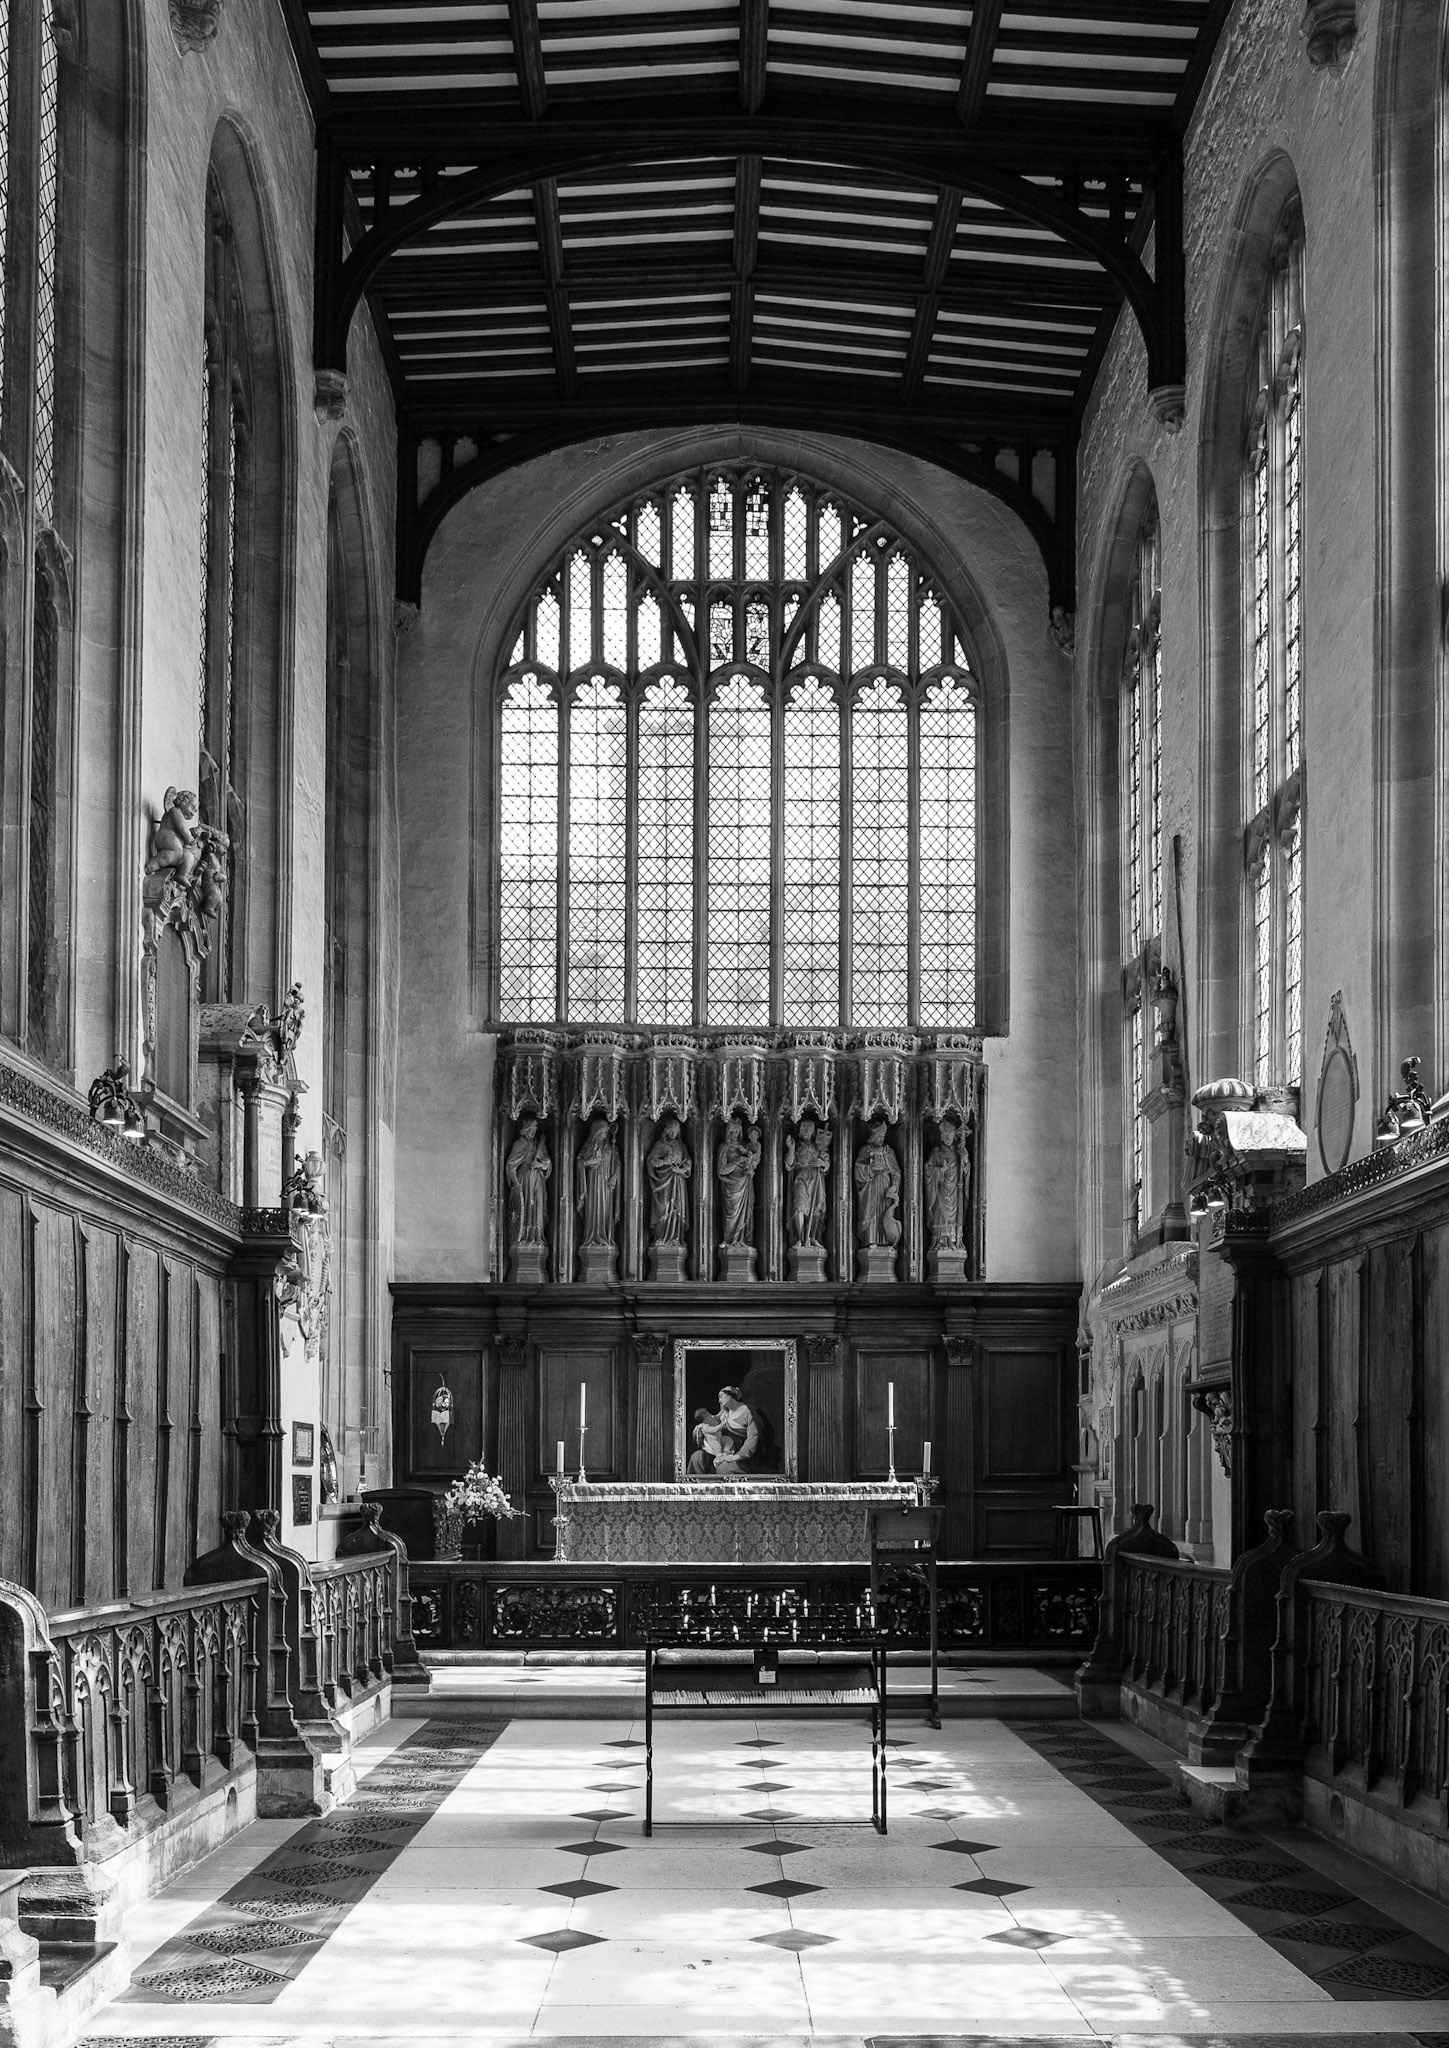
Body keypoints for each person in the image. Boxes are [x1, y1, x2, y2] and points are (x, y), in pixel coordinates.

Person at [854, 1116, 902, 1247]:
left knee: (885, 1212)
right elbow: (857, 1170)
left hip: (885, 1187)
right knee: (871, 1211)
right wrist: (870, 1169)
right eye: (879, 1136)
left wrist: (894, 1186)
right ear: (872, 1136)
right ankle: (871, 1240)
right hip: (871, 1186)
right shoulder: (865, 1150)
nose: (881, 1139)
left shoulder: (888, 1152)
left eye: (883, 1137)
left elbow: (896, 1172)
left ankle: (885, 1241)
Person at [505, 1113, 551, 1250]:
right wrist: (516, 1184)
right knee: (526, 1206)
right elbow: (511, 1165)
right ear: (526, 1129)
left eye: (535, 1130)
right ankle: (525, 1237)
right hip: (525, 1179)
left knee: (538, 1207)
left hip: (537, 1179)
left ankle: (537, 1237)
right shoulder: (519, 1144)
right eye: (531, 1130)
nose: (533, 1132)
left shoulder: (538, 1144)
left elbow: (547, 1161)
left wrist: (542, 1165)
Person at [923, 1118, 968, 1251]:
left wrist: (965, 1160)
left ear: (955, 1135)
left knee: (954, 1218)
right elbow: (927, 1170)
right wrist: (939, 1171)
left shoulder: (959, 1153)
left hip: (955, 1192)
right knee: (940, 1215)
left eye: (950, 1134)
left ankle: (954, 1241)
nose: (947, 1137)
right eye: (944, 1134)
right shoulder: (936, 1153)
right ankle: (940, 1242)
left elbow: (967, 1172)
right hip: (940, 1192)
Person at [646, 1113, 692, 1244]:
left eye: (676, 1131)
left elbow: (688, 1163)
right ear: (666, 1131)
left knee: (677, 1208)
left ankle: (676, 1237)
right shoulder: (660, 1145)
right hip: (663, 1182)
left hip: (678, 1181)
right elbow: (651, 1161)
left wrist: (681, 1169)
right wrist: (664, 1162)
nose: (673, 1133)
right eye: (671, 1130)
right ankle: (661, 1237)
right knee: (663, 1208)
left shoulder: (682, 1147)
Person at [716, 1115, 761, 1245]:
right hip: (731, 1186)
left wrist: (750, 1160)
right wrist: (736, 1162)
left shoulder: (744, 1147)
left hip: (745, 1183)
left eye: (738, 1131)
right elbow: (722, 1170)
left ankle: (742, 1240)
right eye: (733, 1131)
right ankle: (729, 1239)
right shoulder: (724, 1147)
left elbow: (753, 1162)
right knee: (731, 1213)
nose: (735, 1134)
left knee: (745, 1212)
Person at [786, 1117, 830, 1247]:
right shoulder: (797, 1144)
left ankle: (812, 1237)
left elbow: (826, 1163)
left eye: (809, 1128)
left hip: (816, 1178)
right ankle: (800, 1238)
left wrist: (822, 1162)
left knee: (816, 1208)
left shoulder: (819, 1145)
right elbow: (789, 1164)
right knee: (799, 1206)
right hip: (801, 1177)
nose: (806, 1130)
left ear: (813, 1131)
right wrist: (791, 1149)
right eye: (803, 1127)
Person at [575, 1120, 619, 1247]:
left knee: (605, 1209)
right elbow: (579, 1161)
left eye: (606, 1132)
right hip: (594, 1180)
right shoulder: (589, 1146)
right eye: (603, 1132)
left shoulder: (611, 1146)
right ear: (597, 1132)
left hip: (606, 1181)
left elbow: (617, 1164)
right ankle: (592, 1237)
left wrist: (615, 1176)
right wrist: (588, 1162)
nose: (605, 1134)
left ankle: (605, 1236)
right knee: (594, 1208)